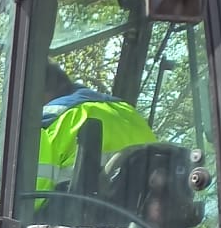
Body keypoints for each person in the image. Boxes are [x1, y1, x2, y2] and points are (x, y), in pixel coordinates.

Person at [36, 61, 155, 194]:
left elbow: (32, 198)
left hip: (79, 213)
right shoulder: (129, 113)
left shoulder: (49, 121)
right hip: (141, 212)